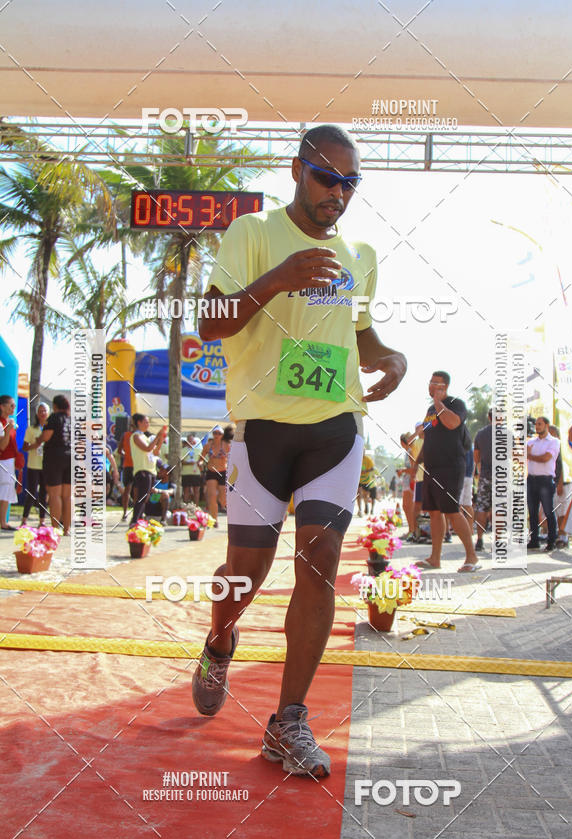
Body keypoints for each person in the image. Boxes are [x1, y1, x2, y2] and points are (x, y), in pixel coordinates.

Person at [193, 124, 407, 778]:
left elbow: (359, 333)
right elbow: (210, 322)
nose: (336, 194)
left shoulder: (361, 255)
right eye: (325, 178)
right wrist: (279, 278)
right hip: (264, 427)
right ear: (296, 169)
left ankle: (287, 721)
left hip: (336, 425)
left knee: (319, 561)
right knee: (245, 572)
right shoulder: (252, 234)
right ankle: (221, 637)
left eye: (350, 183)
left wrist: (389, 357)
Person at [415, 371, 479, 572]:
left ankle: (472, 557)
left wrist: (439, 403)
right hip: (432, 467)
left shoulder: (456, 404)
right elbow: (428, 434)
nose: (432, 386)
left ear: (446, 387)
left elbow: (452, 423)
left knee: (452, 510)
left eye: (437, 384)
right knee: (434, 512)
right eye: (431, 382)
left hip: (451, 466)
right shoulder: (430, 409)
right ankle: (435, 558)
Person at [35, 394, 71, 535]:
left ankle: (55, 529)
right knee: (67, 496)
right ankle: (67, 529)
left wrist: (38, 439)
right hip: (71, 456)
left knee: (54, 494)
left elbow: (46, 436)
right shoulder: (71, 420)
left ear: (55, 406)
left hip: (54, 456)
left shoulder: (54, 418)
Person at [527, 416, 560, 552]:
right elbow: (520, 454)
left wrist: (529, 456)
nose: (537, 426)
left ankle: (551, 541)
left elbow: (546, 458)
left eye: (540, 424)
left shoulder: (554, 441)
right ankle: (534, 540)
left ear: (547, 425)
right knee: (533, 512)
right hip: (531, 479)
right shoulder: (531, 442)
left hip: (545, 480)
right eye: (536, 424)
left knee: (548, 511)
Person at [129, 414, 167, 525]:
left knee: (145, 497)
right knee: (142, 496)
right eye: (145, 422)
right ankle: (135, 520)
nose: (148, 424)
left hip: (151, 470)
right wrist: (157, 437)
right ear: (139, 423)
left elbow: (156, 452)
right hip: (142, 469)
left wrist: (161, 438)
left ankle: (139, 519)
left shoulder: (145, 437)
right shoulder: (136, 436)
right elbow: (147, 448)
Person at [21, 402, 49, 527]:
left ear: (48, 413)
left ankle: (42, 521)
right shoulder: (31, 429)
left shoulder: (50, 429)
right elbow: (25, 447)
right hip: (33, 465)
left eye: (44, 411)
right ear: (37, 414)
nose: (42, 413)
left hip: (47, 466)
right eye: (40, 411)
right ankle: (24, 520)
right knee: (31, 493)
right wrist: (35, 445)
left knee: (44, 494)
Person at [0, 394, 25, 530]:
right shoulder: (2, 423)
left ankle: (3, 521)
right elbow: (2, 446)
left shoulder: (7, 421)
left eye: (14, 406)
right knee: (4, 490)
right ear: (2, 407)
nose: (14, 408)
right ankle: (3, 522)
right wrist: (8, 429)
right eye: (11, 405)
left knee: (6, 491)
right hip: (3, 461)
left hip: (8, 461)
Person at [474, 410, 493, 552]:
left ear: (489, 417)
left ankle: (479, 539)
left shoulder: (480, 434)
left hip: (485, 476)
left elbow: (476, 457)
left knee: (481, 507)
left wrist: (480, 470)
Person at [203, 426, 229, 524]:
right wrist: (200, 463)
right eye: (215, 433)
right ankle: (214, 520)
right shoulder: (208, 445)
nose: (217, 435)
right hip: (211, 472)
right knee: (212, 496)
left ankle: (230, 512)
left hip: (222, 472)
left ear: (222, 435)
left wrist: (226, 458)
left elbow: (234, 457)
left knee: (223, 500)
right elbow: (202, 456)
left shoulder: (226, 445)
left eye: (219, 433)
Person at [397, 433, 415, 539]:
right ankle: (411, 530)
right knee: (406, 507)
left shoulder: (410, 452)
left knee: (408, 507)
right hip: (407, 481)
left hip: (410, 482)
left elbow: (413, 468)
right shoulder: (407, 452)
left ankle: (412, 530)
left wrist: (403, 470)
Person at [117, 424, 134, 521]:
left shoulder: (140, 435)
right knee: (128, 490)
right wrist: (127, 455)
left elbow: (120, 451)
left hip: (134, 466)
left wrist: (126, 455)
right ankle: (125, 513)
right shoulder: (126, 435)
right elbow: (119, 451)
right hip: (129, 466)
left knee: (131, 491)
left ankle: (127, 514)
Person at [181, 433, 203, 506]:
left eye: (192, 440)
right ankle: (186, 506)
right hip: (186, 473)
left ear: (194, 441)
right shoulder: (183, 450)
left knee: (196, 490)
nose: (190, 442)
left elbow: (201, 460)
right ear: (187, 441)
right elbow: (181, 461)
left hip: (196, 473)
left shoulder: (199, 450)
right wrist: (189, 463)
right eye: (189, 440)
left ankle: (196, 507)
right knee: (186, 490)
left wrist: (200, 463)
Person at [357, 451, 377, 516]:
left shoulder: (368, 459)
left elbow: (372, 468)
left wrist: (366, 471)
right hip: (358, 480)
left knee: (365, 495)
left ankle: (366, 505)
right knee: (358, 494)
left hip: (366, 480)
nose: (362, 453)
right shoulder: (357, 458)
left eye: (363, 452)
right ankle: (360, 509)